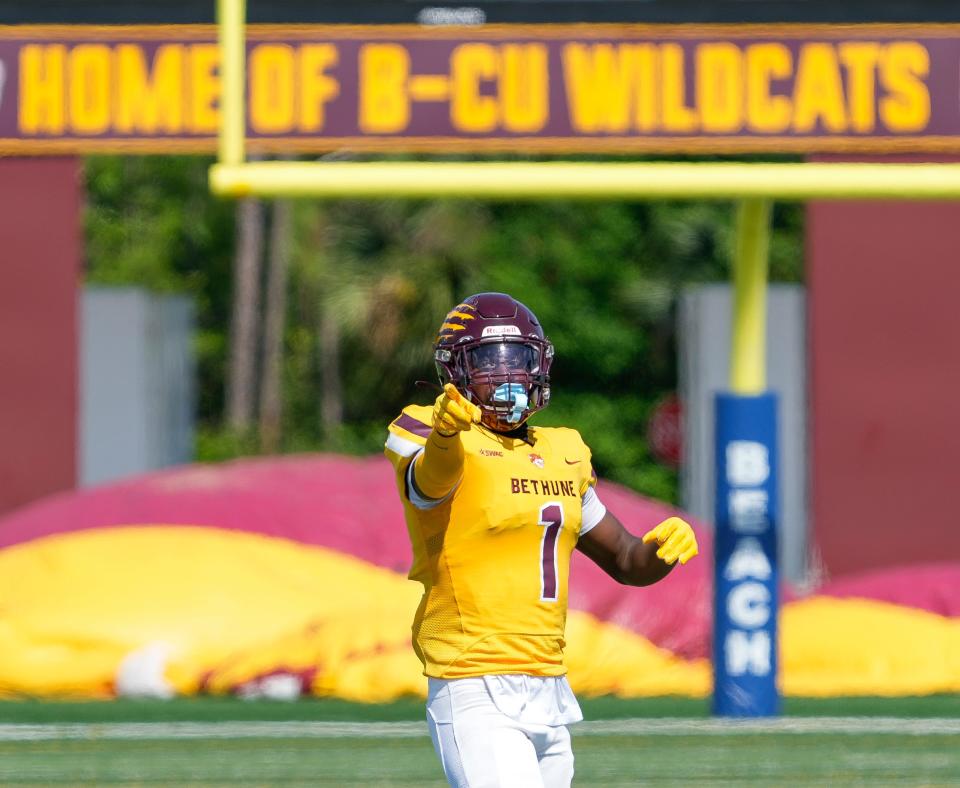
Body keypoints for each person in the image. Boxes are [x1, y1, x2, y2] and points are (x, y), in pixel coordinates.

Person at [384, 292, 699, 788]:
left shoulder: (564, 451)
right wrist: (446, 435)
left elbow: (624, 558)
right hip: (474, 681)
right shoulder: (431, 428)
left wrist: (659, 550)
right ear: (455, 371)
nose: (507, 375)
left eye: (519, 359)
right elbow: (430, 484)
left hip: (549, 684)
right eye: (488, 362)